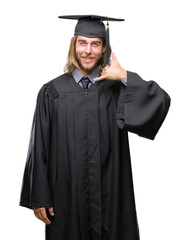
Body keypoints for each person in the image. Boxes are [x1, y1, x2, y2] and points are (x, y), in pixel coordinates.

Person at [20, 15, 171, 240]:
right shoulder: (51, 92)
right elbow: (39, 145)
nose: (88, 50)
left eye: (95, 44)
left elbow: (160, 101)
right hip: (66, 196)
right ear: (74, 45)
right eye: (82, 43)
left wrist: (125, 77)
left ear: (104, 49)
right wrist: (39, 196)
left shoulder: (117, 89)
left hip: (111, 195)